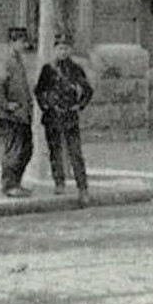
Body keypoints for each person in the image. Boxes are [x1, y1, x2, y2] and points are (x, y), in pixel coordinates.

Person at [36, 34, 94, 203]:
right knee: (55, 152)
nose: (63, 51)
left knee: (75, 152)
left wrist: (80, 105)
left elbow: (88, 90)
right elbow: (39, 91)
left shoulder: (76, 69)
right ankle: (59, 182)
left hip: (70, 116)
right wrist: (46, 106)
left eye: (66, 48)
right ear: (54, 50)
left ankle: (82, 188)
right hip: (53, 116)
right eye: (59, 48)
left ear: (70, 50)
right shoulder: (47, 69)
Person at [0, 27, 35, 198]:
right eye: (20, 41)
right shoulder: (6, 61)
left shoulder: (18, 60)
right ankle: (9, 185)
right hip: (11, 115)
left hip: (22, 114)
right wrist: (5, 104)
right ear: (12, 42)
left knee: (26, 149)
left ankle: (16, 183)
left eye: (24, 41)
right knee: (14, 150)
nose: (24, 45)